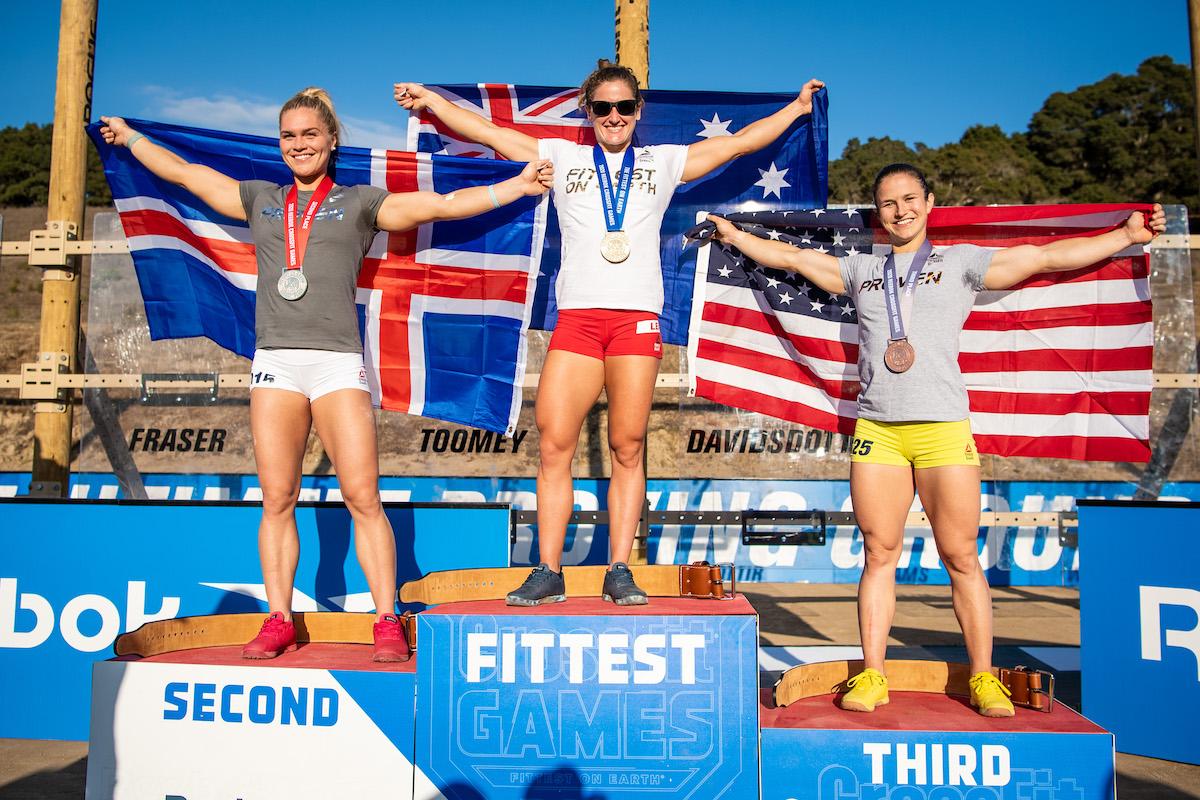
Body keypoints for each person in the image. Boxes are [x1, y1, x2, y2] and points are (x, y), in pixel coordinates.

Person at [99, 88, 553, 661]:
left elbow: (437, 207)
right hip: (276, 364)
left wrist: (515, 186)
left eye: (310, 134)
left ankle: (386, 618)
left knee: (364, 496)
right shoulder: (261, 198)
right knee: (278, 499)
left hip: (337, 364)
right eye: (289, 136)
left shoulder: (360, 202)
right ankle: (279, 617)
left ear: (331, 140)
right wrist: (132, 137)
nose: (299, 145)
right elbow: (188, 175)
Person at [708, 163, 1165, 715]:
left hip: (945, 430)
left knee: (961, 556)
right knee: (879, 554)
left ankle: (983, 678)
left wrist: (1124, 237)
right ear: (877, 213)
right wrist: (735, 236)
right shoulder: (861, 269)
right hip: (878, 430)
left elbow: (1044, 258)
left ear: (929, 202)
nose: (900, 211)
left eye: (909, 199)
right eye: (887, 203)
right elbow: (794, 259)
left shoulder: (961, 261)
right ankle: (872, 674)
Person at [396, 63, 825, 606]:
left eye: (624, 107)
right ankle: (547, 570)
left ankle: (620, 568)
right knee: (554, 444)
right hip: (576, 318)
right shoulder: (561, 154)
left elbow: (738, 145)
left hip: (637, 318)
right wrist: (432, 103)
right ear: (588, 112)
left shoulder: (662, 160)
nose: (615, 116)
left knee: (627, 445)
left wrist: (796, 109)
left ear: (638, 111)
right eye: (603, 108)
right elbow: (489, 133)